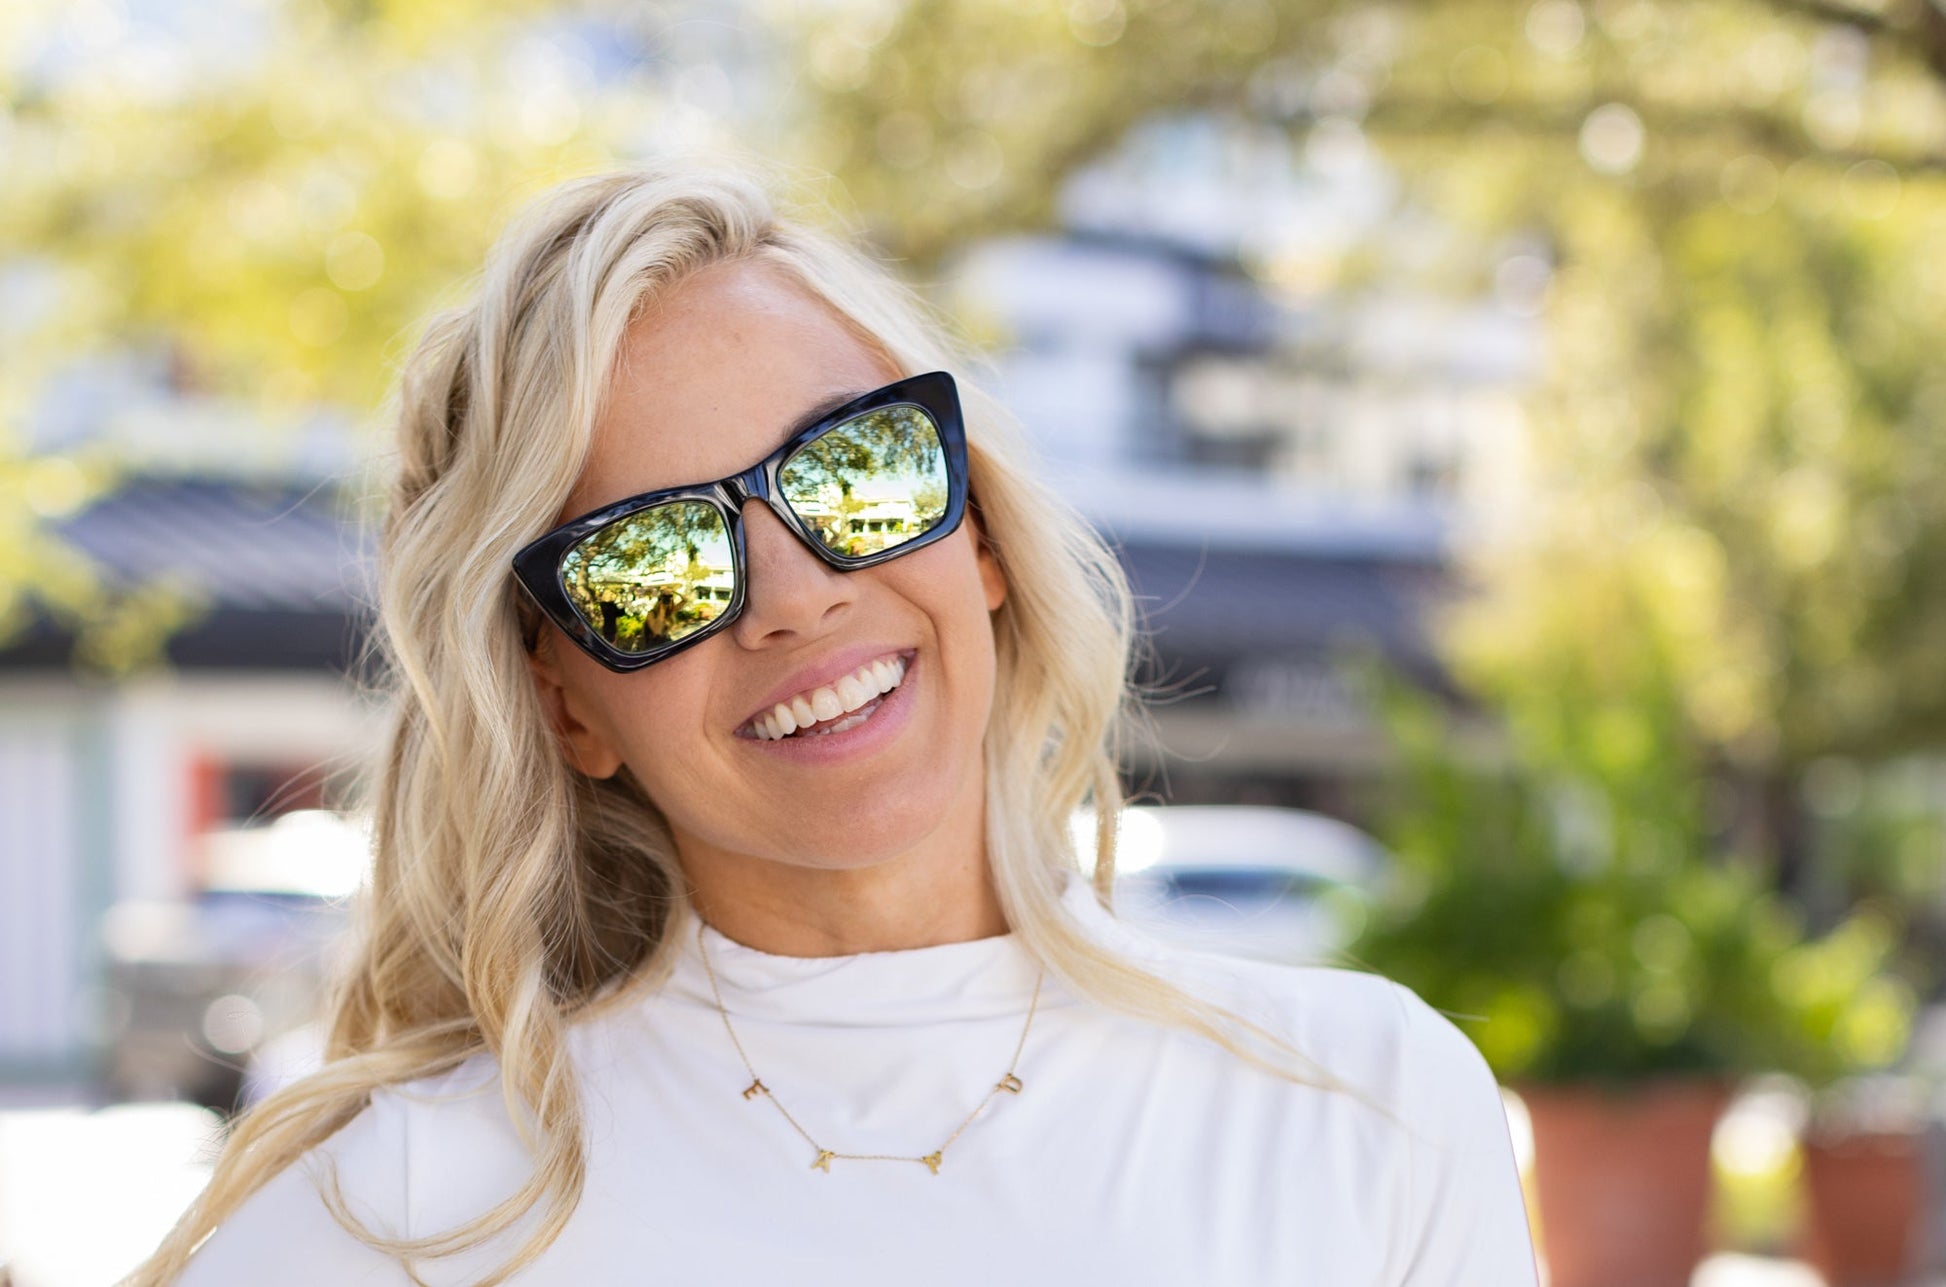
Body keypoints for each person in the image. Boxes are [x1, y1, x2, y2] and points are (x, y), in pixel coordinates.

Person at [133, 162, 1540, 1286]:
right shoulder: (410, 1207)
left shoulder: (1364, 1106)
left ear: (978, 535)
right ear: (563, 703)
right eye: (656, 561)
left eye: (853, 473)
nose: (795, 598)